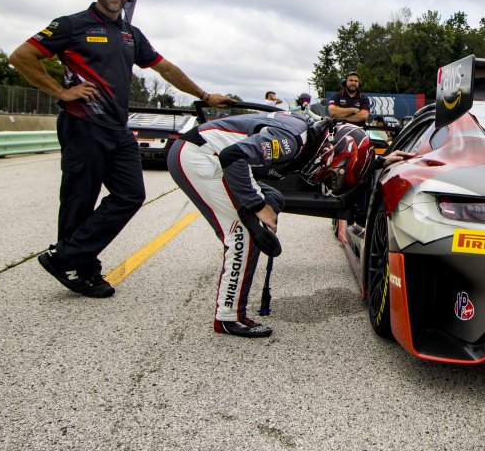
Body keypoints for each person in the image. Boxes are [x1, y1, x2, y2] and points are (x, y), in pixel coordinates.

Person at [9, 0, 230, 298]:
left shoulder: (130, 34)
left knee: (131, 194)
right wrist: (62, 92)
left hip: (117, 127)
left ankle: (65, 257)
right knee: (79, 200)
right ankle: (82, 270)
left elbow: (166, 69)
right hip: (83, 125)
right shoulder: (71, 25)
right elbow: (22, 56)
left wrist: (204, 95)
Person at [168, 111, 413, 337]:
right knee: (243, 234)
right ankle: (228, 318)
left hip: (206, 153)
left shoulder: (314, 139)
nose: (326, 179)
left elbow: (346, 158)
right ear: (329, 154)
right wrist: (257, 205)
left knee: (274, 198)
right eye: (331, 174)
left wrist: (378, 162)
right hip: (202, 156)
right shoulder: (291, 141)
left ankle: (251, 225)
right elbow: (232, 156)